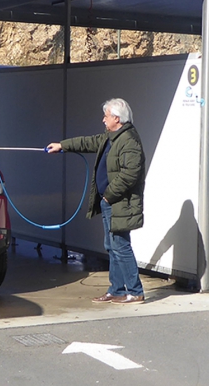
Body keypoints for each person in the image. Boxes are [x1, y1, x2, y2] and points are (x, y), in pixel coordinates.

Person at [47, 98, 146, 304]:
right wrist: (62, 146)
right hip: (110, 203)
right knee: (111, 246)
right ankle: (117, 290)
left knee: (121, 245)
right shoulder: (111, 137)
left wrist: (109, 195)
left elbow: (131, 174)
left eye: (106, 116)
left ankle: (135, 291)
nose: (103, 120)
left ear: (117, 119)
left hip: (120, 203)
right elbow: (87, 142)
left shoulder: (129, 141)